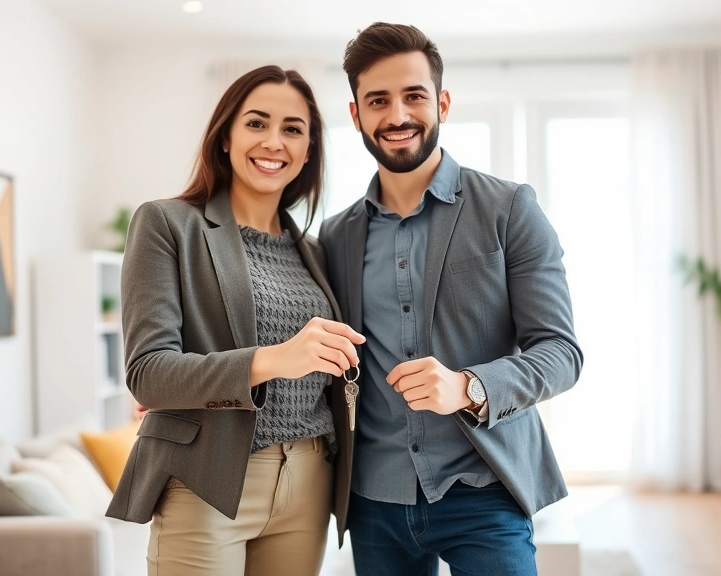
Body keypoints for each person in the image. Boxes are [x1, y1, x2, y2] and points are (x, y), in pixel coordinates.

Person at [318, 23, 584, 576]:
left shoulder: (510, 209)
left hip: (484, 491)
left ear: (441, 102)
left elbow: (561, 353)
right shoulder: (336, 236)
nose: (397, 115)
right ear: (356, 115)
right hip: (374, 501)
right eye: (378, 100)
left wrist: (469, 386)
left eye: (413, 95)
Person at [106, 65, 365, 576]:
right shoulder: (166, 224)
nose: (274, 141)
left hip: (310, 477)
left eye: (293, 129)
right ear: (225, 135)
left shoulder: (314, 250)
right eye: (256, 123)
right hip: (208, 479)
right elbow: (148, 373)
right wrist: (272, 360)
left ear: (309, 150)